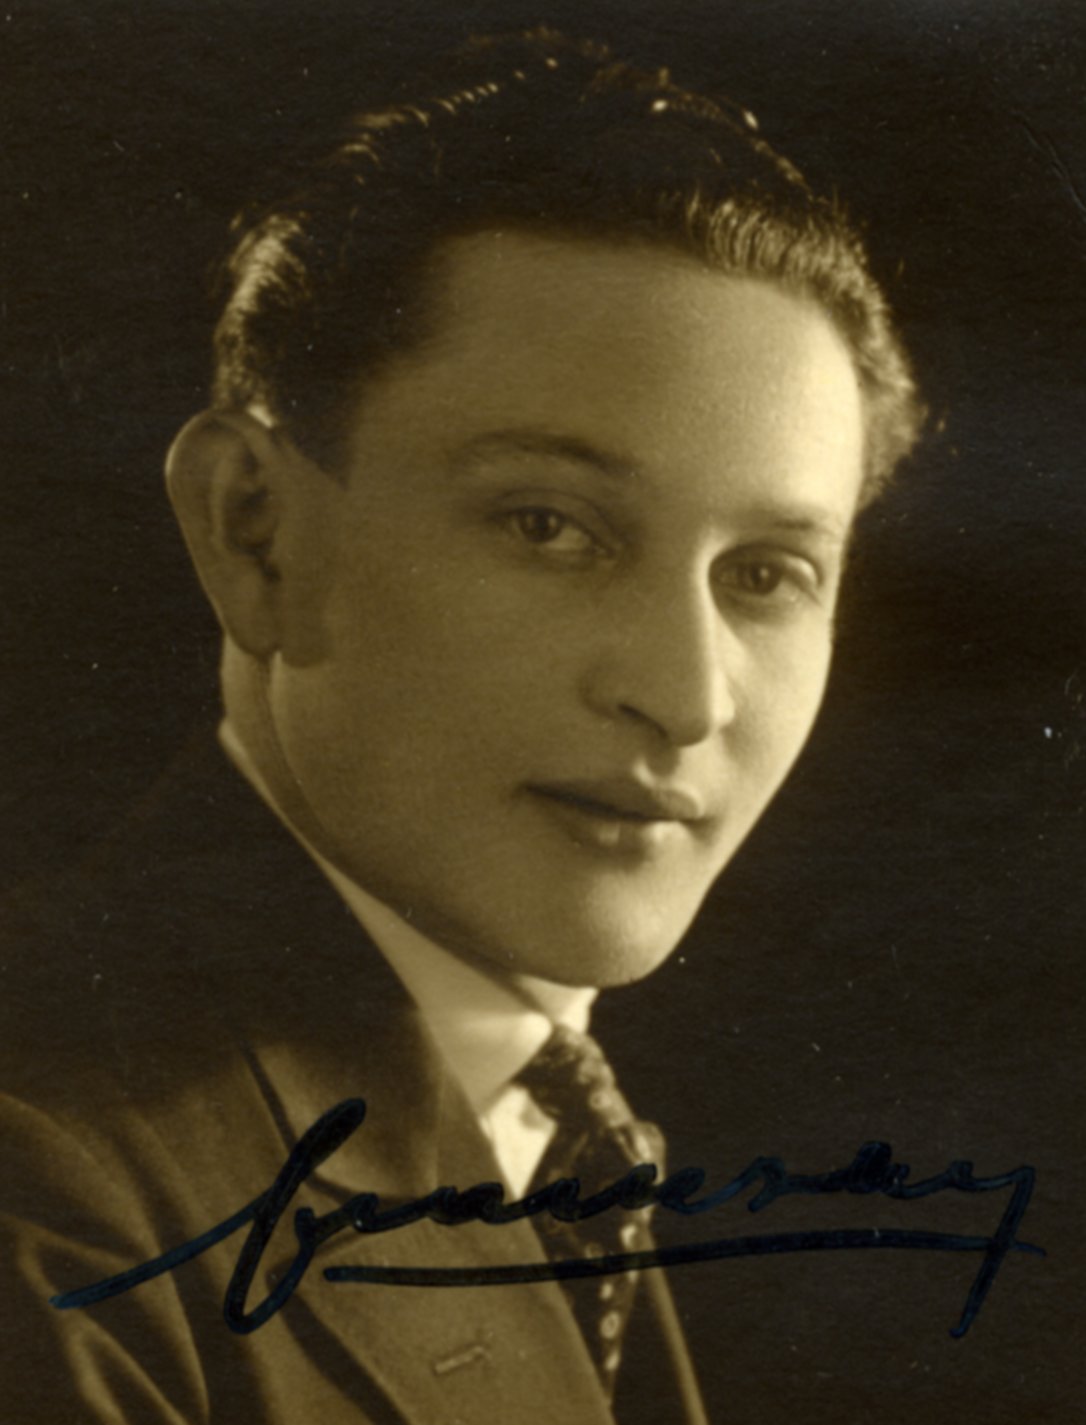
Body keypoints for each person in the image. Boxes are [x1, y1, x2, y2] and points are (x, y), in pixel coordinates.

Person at [0, 28, 921, 1424]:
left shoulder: (538, 1131)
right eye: (549, 526)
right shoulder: (55, 1207)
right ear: (255, 533)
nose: (685, 696)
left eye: (765, 576)